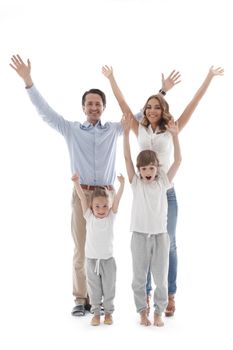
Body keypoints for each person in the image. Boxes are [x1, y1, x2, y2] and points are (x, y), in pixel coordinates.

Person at [9, 54, 178, 317]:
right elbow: (45, 112)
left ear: (103, 107)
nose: (94, 107)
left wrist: (162, 90)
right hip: (82, 193)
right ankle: (81, 298)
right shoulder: (71, 129)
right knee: (81, 247)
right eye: (89, 104)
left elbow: (139, 114)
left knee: (105, 248)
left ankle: (102, 300)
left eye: (98, 103)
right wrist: (28, 81)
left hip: (108, 195)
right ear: (83, 107)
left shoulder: (113, 129)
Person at [102, 64, 224, 316]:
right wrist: (112, 78)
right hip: (143, 191)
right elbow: (124, 105)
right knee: (144, 244)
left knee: (169, 245)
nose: (152, 110)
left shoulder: (172, 129)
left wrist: (209, 77)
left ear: (164, 110)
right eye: (149, 107)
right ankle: (145, 296)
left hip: (166, 192)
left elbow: (193, 103)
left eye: (157, 107)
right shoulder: (140, 128)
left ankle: (169, 295)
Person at [122, 114, 181, 327]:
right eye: (144, 169)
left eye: (151, 168)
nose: (148, 172)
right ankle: (142, 311)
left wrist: (175, 136)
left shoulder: (163, 181)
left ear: (157, 168)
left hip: (160, 236)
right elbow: (128, 159)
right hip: (139, 235)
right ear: (139, 171)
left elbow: (178, 161)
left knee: (160, 278)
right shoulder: (136, 183)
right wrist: (125, 134)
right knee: (139, 278)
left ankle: (159, 311)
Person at [71, 173, 124, 326]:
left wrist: (122, 185)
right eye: (97, 206)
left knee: (109, 288)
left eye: (105, 206)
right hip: (91, 260)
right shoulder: (89, 216)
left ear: (109, 205)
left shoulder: (110, 217)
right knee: (94, 290)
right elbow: (82, 198)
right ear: (92, 207)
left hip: (107, 261)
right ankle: (95, 313)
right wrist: (77, 184)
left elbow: (117, 200)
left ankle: (108, 313)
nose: (101, 210)